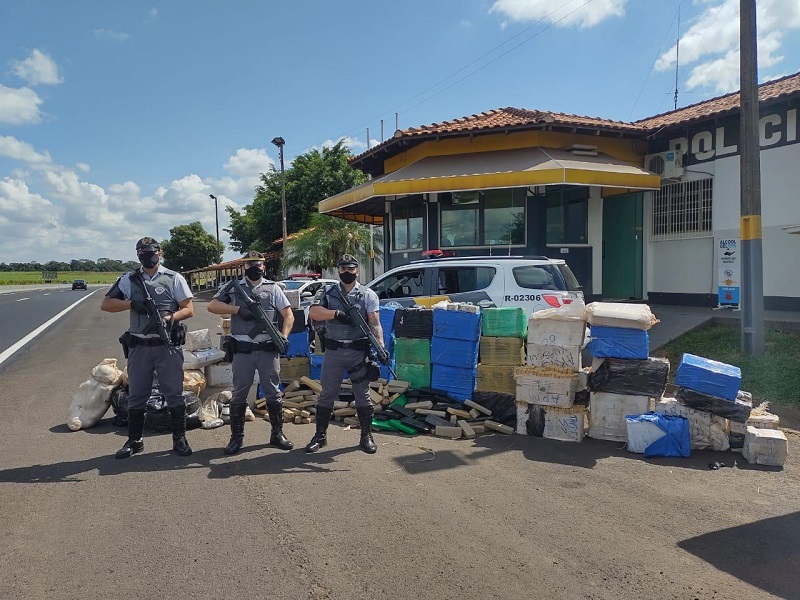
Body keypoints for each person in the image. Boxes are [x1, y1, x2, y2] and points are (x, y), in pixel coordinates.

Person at [101, 237, 195, 459]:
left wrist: (170, 317)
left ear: (159, 253)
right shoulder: (128, 280)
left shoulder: (174, 278)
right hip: (140, 346)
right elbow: (107, 304)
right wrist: (132, 304)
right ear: (137, 255)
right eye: (142, 253)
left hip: (167, 345)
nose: (147, 256)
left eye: (151, 252)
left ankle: (179, 439)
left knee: (174, 393)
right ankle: (134, 441)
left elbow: (188, 308)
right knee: (137, 395)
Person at [207, 251, 294, 455]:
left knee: (272, 392)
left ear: (264, 267)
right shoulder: (234, 287)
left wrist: (283, 336)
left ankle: (277, 433)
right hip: (243, 351)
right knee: (239, 393)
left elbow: (288, 314)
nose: (254, 268)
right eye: (250, 265)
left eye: (258, 264)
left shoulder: (273, 288)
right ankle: (236, 438)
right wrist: (237, 310)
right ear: (243, 268)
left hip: (267, 350)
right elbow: (212, 305)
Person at [306, 254, 384, 454]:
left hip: (358, 352)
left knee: (363, 396)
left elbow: (375, 323)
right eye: (343, 269)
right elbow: (314, 312)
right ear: (338, 271)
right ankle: (320, 436)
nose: (347, 272)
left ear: (357, 271)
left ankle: (366, 436)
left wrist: (380, 349)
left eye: (351, 269)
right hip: (334, 352)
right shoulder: (328, 292)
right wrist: (336, 314)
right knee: (327, 395)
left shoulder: (368, 294)